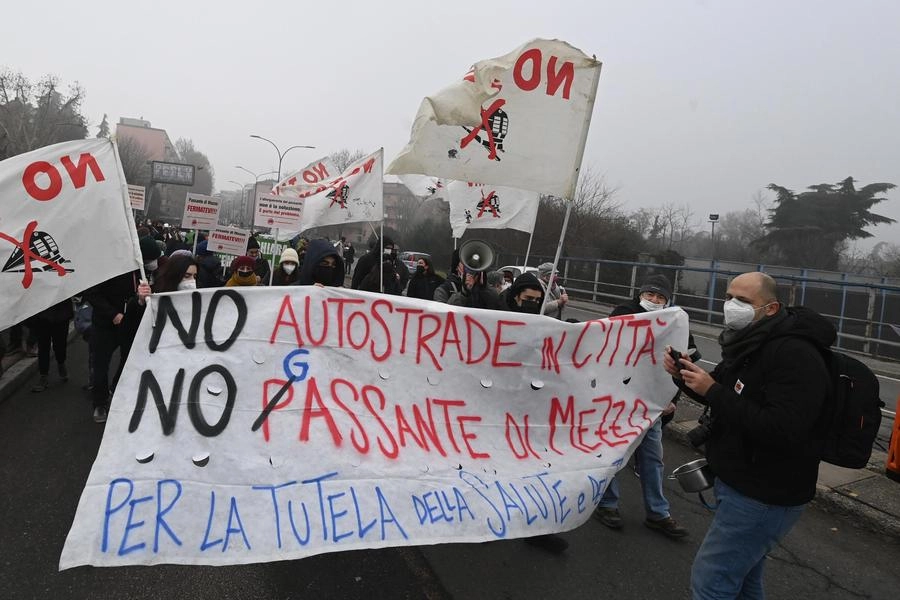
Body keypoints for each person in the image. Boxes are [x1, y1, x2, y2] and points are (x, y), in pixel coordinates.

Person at [663, 271, 834, 599]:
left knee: (711, 582)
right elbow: (724, 395)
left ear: (770, 308)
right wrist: (685, 376)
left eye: (743, 300)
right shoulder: (750, 342)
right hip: (742, 483)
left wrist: (713, 390)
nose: (731, 306)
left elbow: (783, 429)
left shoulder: (795, 354)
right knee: (743, 581)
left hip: (764, 493)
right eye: (728, 297)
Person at [593, 274, 691, 538]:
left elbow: (681, 364)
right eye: (650, 295)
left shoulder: (674, 322)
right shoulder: (624, 314)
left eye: (660, 297)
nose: (654, 300)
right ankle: (607, 504)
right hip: (619, 401)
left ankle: (658, 513)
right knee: (614, 454)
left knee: (652, 459)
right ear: (640, 294)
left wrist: (672, 399)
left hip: (651, 404)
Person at [498, 271, 568, 554]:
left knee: (536, 469)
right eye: (528, 299)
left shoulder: (541, 322)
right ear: (516, 296)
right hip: (496, 410)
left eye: (537, 300)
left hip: (530, 408)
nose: (532, 304)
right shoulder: (495, 316)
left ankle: (536, 528)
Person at [83, 271, 143, 423]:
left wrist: (141, 298)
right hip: (105, 325)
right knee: (100, 366)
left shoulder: (137, 262)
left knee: (129, 361)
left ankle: (116, 389)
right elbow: (91, 292)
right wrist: (113, 314)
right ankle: (100, 403)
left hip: (130, 323)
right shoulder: (105, 262)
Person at [27, 299, 74, 393]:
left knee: (60, 345)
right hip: (42, 313)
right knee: (43, 346)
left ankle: (61, 362)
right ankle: (43, 375)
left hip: (60, 313)